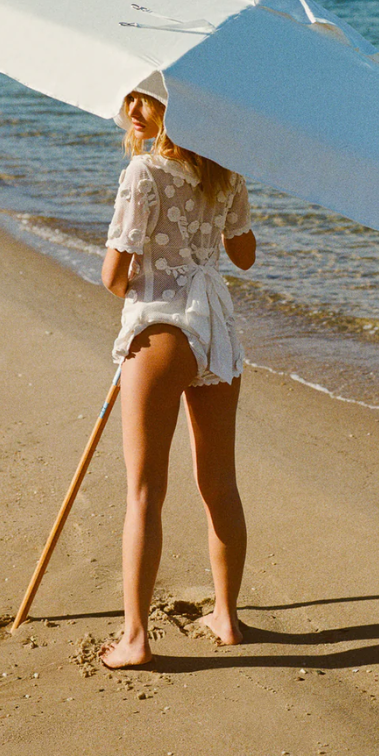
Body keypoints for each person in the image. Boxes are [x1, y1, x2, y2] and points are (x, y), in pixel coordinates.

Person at [99, 90, 256, 668]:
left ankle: (135, 639)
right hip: (216, 331)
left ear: (178, 108)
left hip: (161, 330)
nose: (134, 111)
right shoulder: (227, 173)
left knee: (145, 491)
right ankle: (226, 617)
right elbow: (244, 256)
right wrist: (233, 184)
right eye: (131, 100)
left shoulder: (143, 172)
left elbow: (113, 276)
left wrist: (145, 286)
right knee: (220, 482)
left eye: (148, 101)